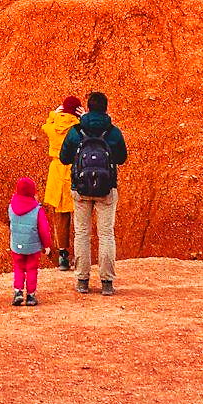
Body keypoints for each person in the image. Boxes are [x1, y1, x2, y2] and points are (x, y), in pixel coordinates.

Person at [59, 90, 127, 295]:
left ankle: (82, 280)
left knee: (82, 234)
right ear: (106, 108)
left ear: (87, 108)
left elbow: (64, 158)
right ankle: (107, 282)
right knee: (106, 234)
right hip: (106, 189)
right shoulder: (113, 131)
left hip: (80, 189)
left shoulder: (76, 131)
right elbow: (122, 158)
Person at [39, 95, 82, 270]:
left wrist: (53, 115)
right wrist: (84, 116)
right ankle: (80, 256)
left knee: (61, 218)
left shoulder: (53, 126)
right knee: (80, 215)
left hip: (57, 172)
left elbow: (45, 126)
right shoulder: (78, 127)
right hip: (75, 171)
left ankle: (63, 256)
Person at [7, 176, 53, 306]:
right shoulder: (37, 210)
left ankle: (18, 292)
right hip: (33, 247)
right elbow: (44, 229)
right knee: (32, 269)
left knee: (18, 268)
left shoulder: (11, 207)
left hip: (16, 244)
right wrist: (47, 245)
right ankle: (31, 296)